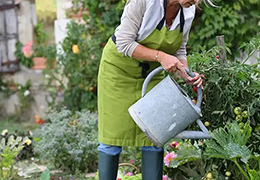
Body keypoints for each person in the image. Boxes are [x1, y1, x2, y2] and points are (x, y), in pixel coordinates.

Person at [97, 0, 213, 179]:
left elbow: (179, 50)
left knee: (154, 136)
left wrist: (186, 74)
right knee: (111, 139)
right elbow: (124, 43)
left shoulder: (187, 12)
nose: (196, 1)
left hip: (152, 74)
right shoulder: (143, 2)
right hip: (118, 72)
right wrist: (160, 56)